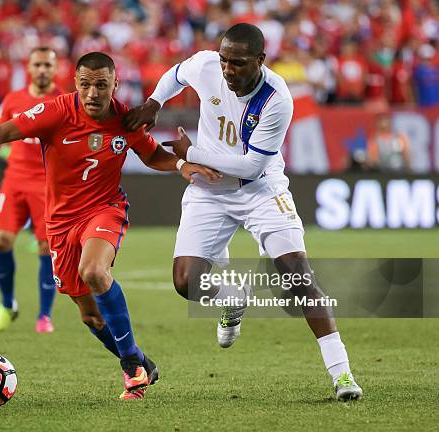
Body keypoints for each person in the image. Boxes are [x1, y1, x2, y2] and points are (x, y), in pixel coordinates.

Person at [0, 52, 220, 399]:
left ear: (115, 84)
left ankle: (130, 369)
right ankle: (140, 360)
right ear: (75, 84)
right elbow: (0, 131)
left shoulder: (126, 119)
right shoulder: (57, 112)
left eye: (101, 85)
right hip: (61, 222)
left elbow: (152, 154)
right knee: (91, 317)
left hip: (105, 209)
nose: (93, 93)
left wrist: (183, 165)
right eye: (85, 85)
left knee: (94, 271)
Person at [123, 23, 363, 401]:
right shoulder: (206, 66)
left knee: (298, 277)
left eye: (237, 63)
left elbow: (251, 166)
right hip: (209, 192)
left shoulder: (277, 98)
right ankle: (232, 298)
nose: (228, 71)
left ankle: (342, 375)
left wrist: (192, 153)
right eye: (224, 61)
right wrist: (154, 102)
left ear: (260, 61)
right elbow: (175, 75)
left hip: (260, 191)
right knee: (186, 281)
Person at [0, 47, 61, 334]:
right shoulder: (13, 100)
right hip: (15, 180)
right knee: (1, 240)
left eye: (47, 65)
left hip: (48, 184)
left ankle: (44, 315)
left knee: (46, 247)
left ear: (55, 69)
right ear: (28, 67)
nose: (42, 70)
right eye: (37, 64)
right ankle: (6, 305)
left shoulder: (64, 101)